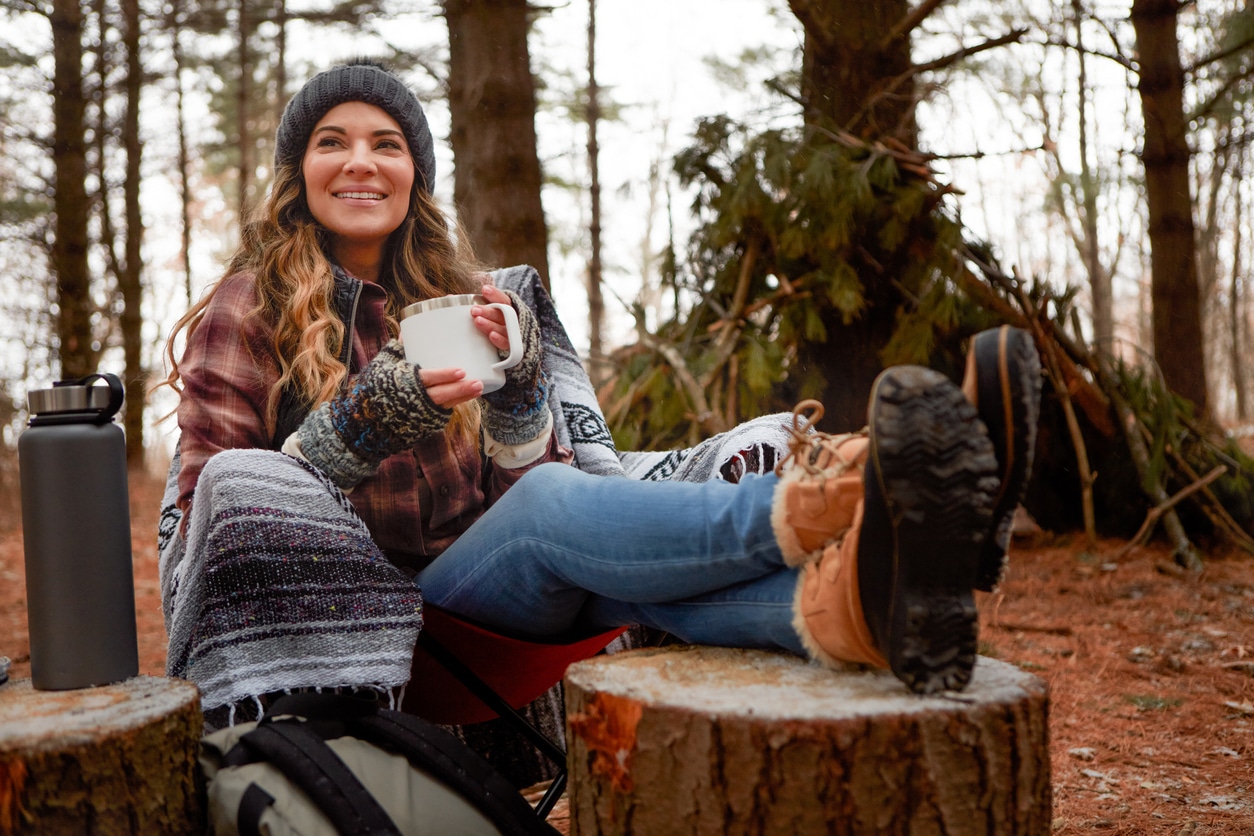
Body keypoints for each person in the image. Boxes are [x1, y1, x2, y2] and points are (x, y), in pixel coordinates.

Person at [158, 60, 1042, 725]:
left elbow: (520, 490)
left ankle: (887, 609)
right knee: (555, 512)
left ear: (416, 174)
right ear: (298, 173)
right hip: (369, 639)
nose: (362, 163)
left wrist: (515, 394)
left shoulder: (465, 295)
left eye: (387, 143)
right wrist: (367, 418)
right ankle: (868, 483)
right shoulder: (249, 306)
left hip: (488, 594)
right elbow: (215, 515)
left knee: (623, 566)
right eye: (332, 143)